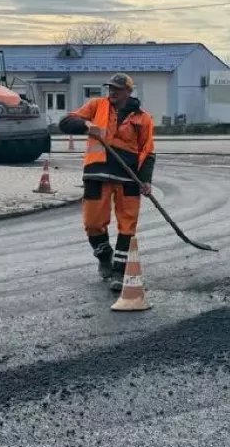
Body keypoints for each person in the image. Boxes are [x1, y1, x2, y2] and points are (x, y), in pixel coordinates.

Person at [57, 73, 157, 290]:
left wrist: (145, 180)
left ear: (129, 92)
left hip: (128, 177)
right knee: (93, 223)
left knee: (128, 225)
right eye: (110, 88)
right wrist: (85, 124)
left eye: (117, 89)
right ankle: (104, 256)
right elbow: (65, 122)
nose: (112, 92)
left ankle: (120, 273)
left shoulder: (143, 118)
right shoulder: (96, 106)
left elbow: (148, 151)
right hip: (97, 173)